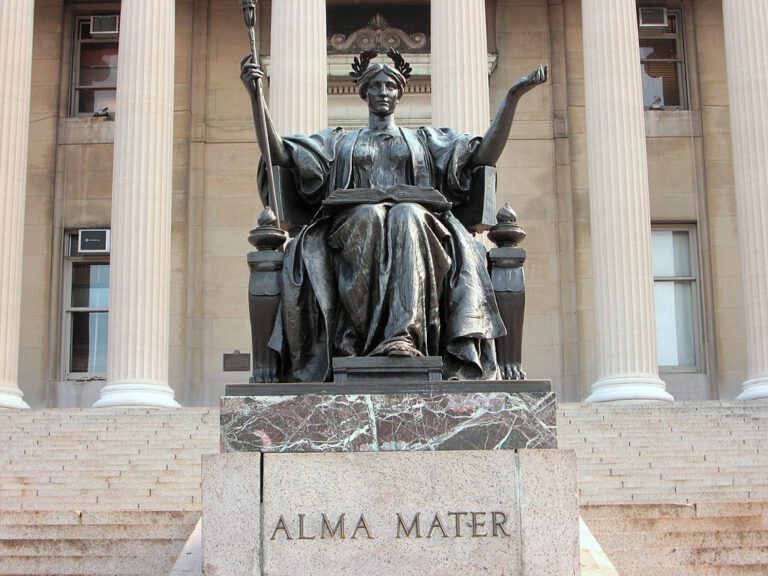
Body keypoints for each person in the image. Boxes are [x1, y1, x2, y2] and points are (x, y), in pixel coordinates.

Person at [240, 49, 547, 382]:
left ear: (400, 93)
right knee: (370, 215)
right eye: (375, 86)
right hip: (351, 225)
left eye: (389, 86)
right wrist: (256, 97)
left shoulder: (426, 141)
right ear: (364, 92)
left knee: (406, 215)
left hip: (421, 225)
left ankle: (403, 337)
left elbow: (483, 153)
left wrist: (512, 98)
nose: (382, 93)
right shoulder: (340, 142)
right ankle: (356, 340)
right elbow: (280, 153)